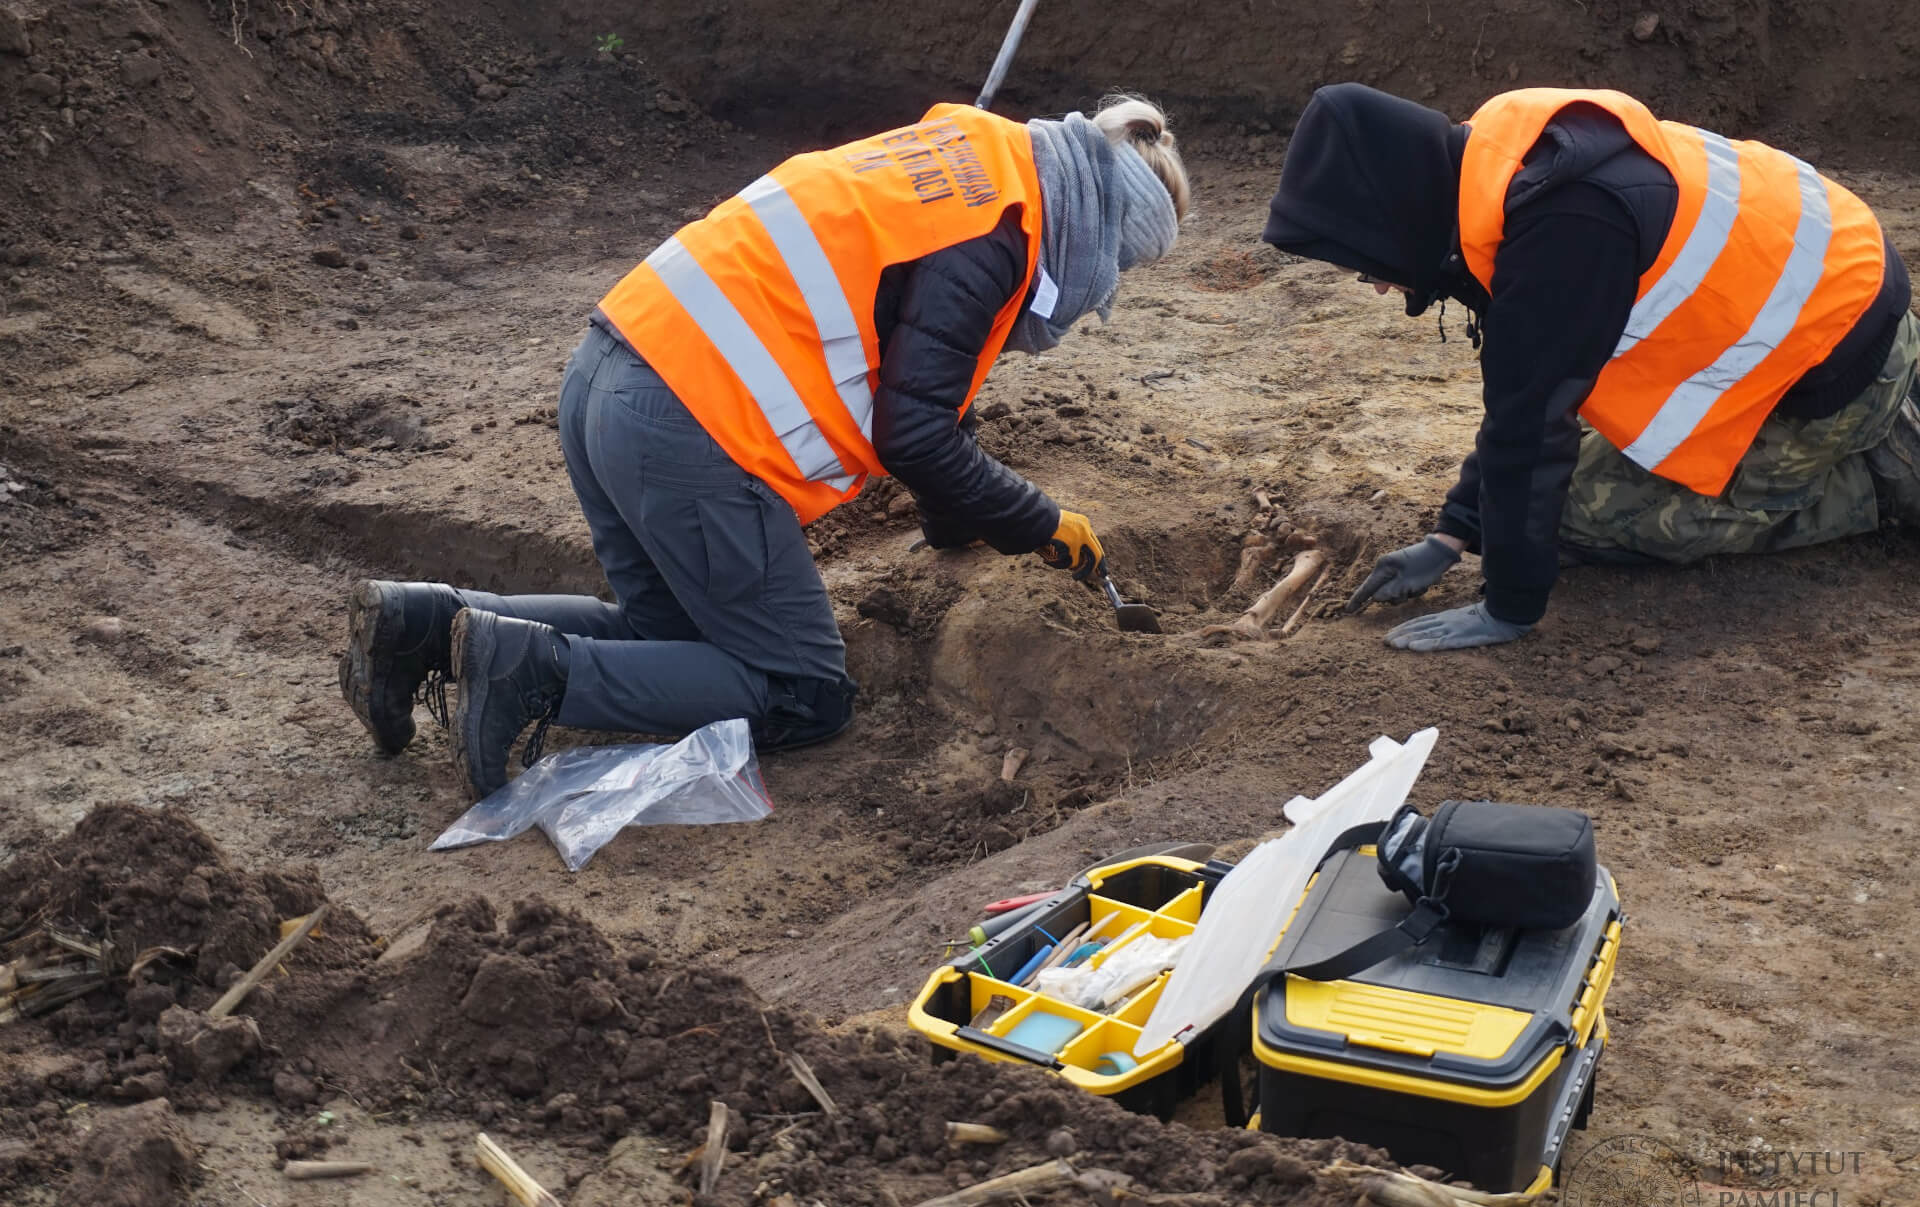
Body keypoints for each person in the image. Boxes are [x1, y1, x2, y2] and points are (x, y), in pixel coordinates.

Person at [339, 95, 1191, 797]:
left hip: (608, 370)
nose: (1096, 299)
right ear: (1103, 233)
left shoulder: (974, 163)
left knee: (667, 636)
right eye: (1117, 273)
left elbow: (921, 379)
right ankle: (533, 673)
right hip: (689, 426)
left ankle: (423, 623)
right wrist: (1035, 520)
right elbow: (914, 431)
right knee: (803, 694)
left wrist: (961, 520)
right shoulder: (998, 240)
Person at [1261, 84, 1920, 651]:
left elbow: (1531, 422)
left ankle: (1868, 484)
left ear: (1391, 213)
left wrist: (1509, 608)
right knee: (1538, 500)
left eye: (1362, 258)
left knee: (1582, 517)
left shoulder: (1564, 228)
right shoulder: (1502, 161)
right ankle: (1889, 416)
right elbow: (1524, 392)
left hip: (1828, 373)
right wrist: (1455, 531)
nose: (1374, 284)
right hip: (1834, 300)